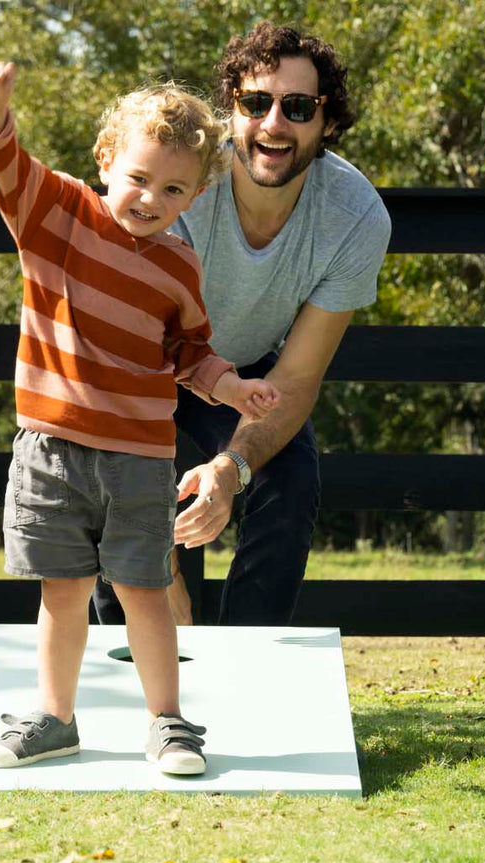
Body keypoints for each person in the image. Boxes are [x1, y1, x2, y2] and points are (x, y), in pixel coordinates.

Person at [0, 61, 280, 776]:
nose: (149, 198)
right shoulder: (56, 216)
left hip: (139, 459)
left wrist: (230, 388)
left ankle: (168, 723)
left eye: (172, 189)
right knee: (62, 591)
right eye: (138, 178)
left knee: (145, 589)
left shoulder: (179, 267)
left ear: (195, 196)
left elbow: (188, 353)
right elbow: (7, 167)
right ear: (106, 161)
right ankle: (53, 718)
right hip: (50, 450)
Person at [92, 22, 392, 628]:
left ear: (328, 123)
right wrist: (162, 573)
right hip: (133, 369)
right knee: (115, 491)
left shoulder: (355, 216)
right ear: (233, 110)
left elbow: (298, 379)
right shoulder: (176, 184)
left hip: (245, 370)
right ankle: (125, 678)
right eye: (256, 102)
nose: (274, 123)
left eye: (299, 106)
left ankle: (249, 676)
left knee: (289, 477)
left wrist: (231, 469)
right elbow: (119, 366)